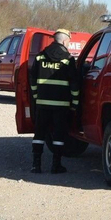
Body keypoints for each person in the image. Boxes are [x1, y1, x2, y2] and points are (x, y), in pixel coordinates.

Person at [28, 29, 82, 175]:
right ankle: (55, 166)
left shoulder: (40, 57)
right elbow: (74, 84)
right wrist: (75, 103)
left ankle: (36, 165)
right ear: (65, 41)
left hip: (42, 103)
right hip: (61, 105)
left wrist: (35, 96)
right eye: (69, 42)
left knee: (39, 134)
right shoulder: (67, 59)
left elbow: (32, 80)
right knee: (59, 135)